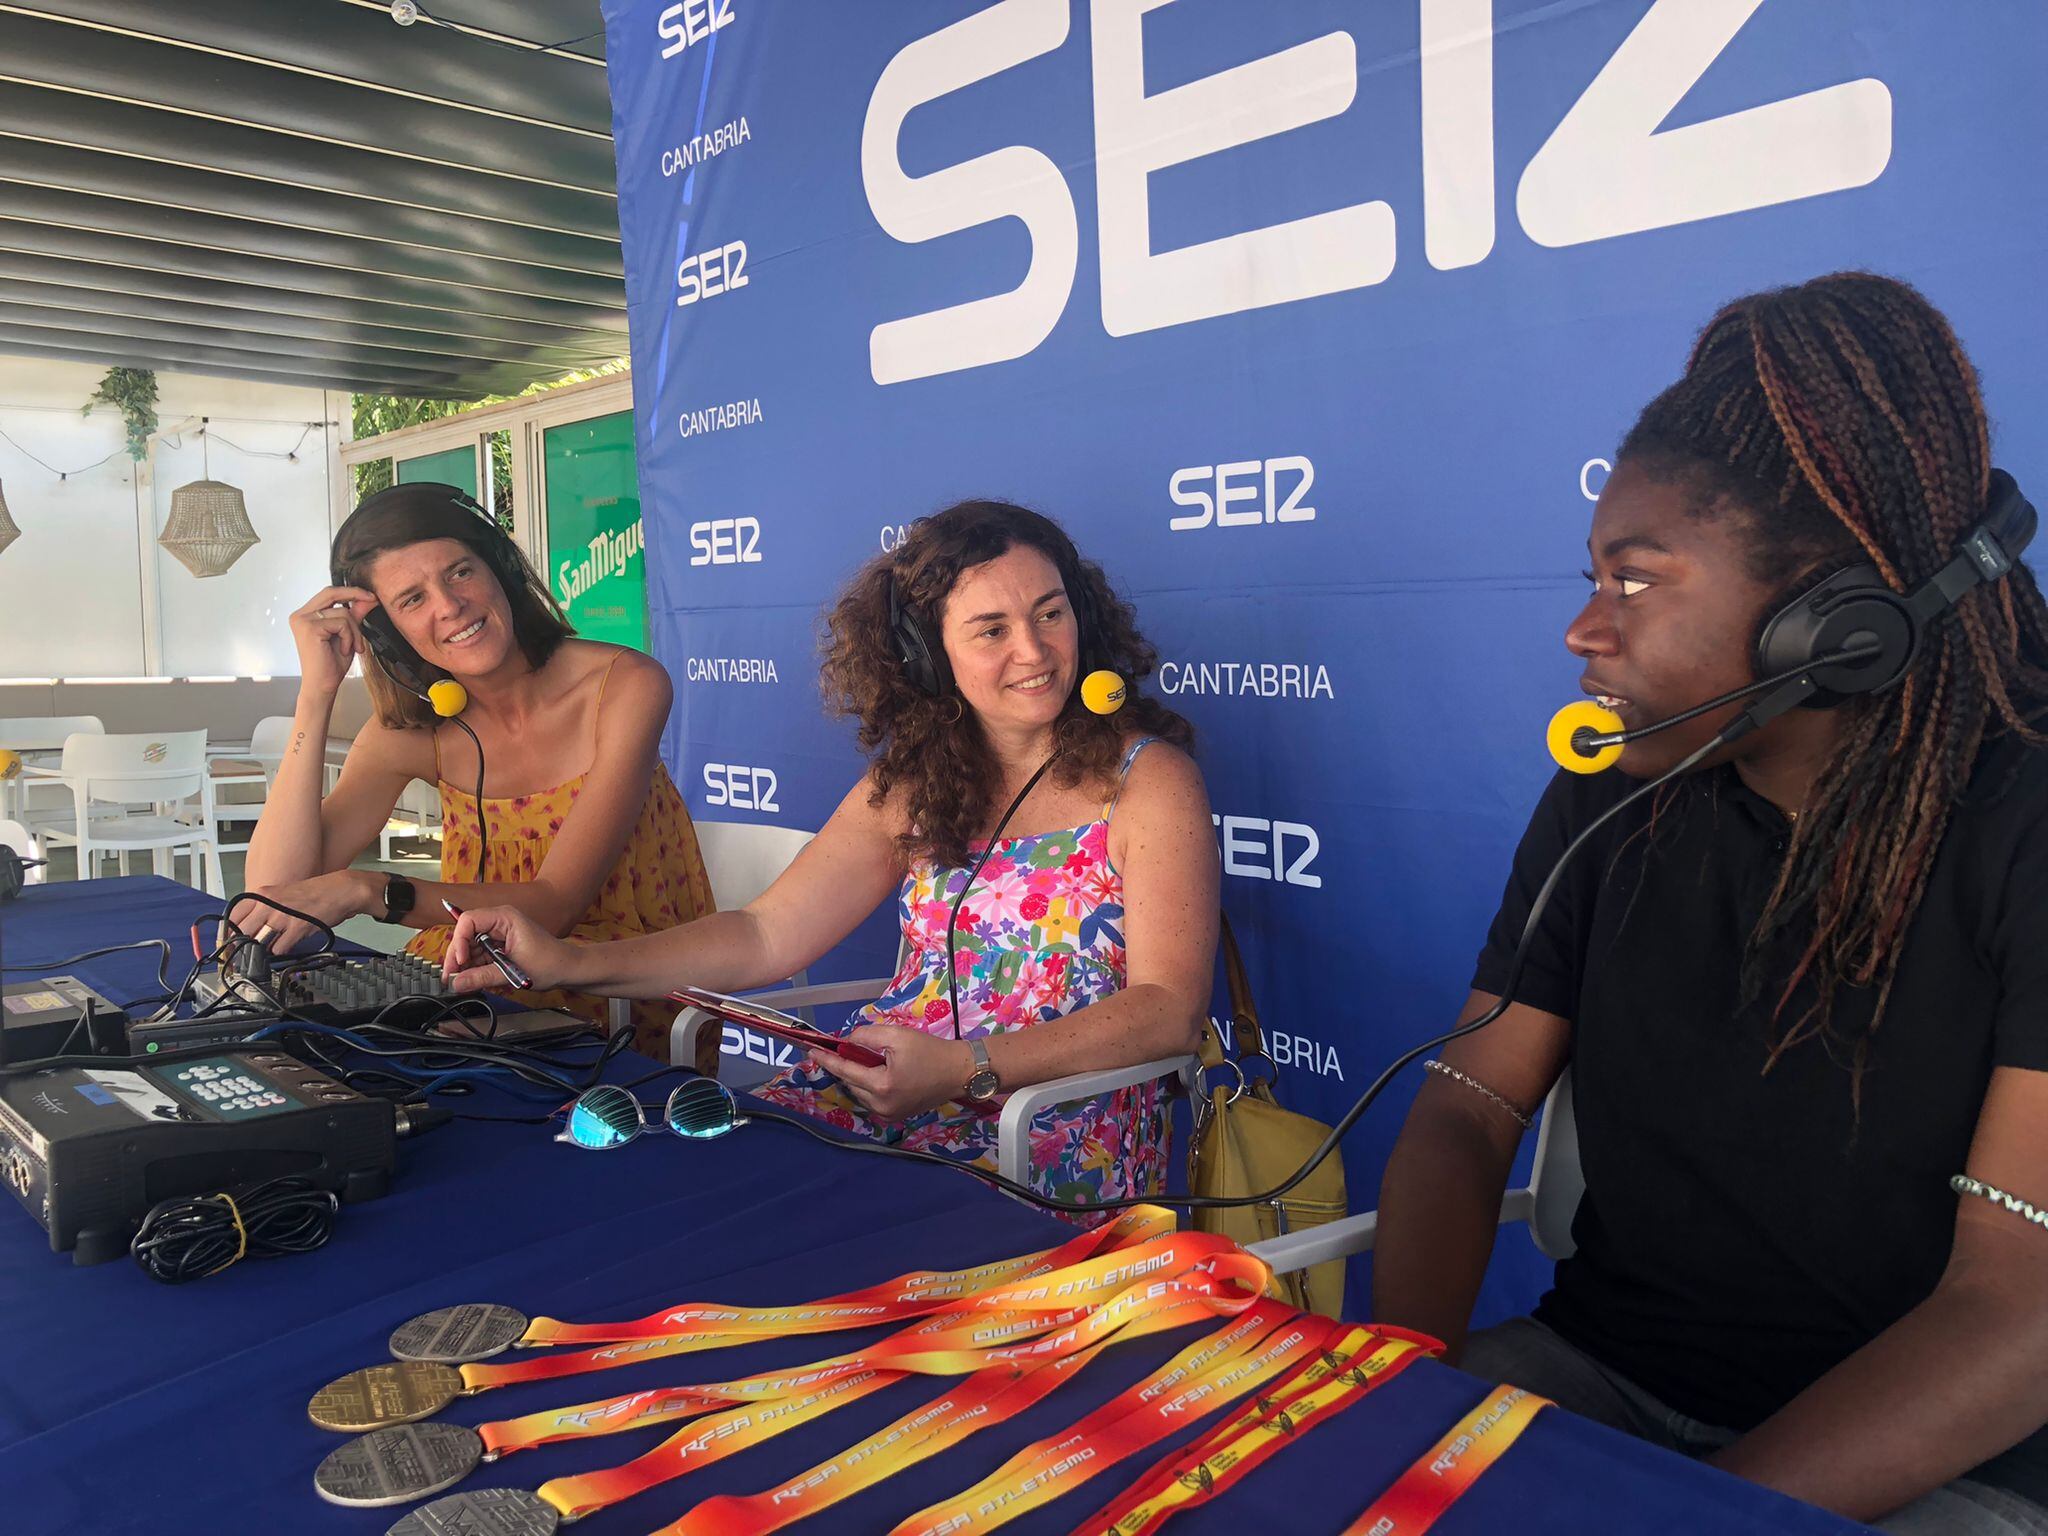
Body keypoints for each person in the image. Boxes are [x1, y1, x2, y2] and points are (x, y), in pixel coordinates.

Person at [1373, 274, 2048, 1534]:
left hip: (1937, 1455)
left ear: (1834, 624)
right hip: (1607, 1382)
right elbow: (1465, 1112)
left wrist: (1689, 1521)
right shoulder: (1609, 788)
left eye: (1635, 580)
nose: (1583, 628)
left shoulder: (2025, 818)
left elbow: (2020, 1305)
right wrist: (1398, 1407)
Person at [445, 499, 1219, 1205]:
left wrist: (964, 1070)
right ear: (927, 654)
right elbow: (764, 935)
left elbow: (1169, 1012)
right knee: (680, 1192)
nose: (1035, 651)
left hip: (1050, 1128)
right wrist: (565, 960)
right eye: (991, 630)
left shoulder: (1148, 780)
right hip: (892, 1095)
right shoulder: (916, 780)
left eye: (1051, 614)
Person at [241, 481, 716, 1063]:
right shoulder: (413, 733)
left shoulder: (624, 686)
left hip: (618, 992)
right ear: (385, 633)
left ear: (501, 572)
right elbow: (271, 895)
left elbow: (556, 904)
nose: (448, 605)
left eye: (460, 571)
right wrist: (316, 695)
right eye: (411, 599)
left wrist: (368, 890)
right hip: (469, 990)